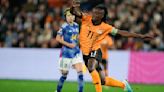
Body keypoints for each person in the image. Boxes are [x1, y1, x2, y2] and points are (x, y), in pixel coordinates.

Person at [70, 0, 153, 92]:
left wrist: (140, 36)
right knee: (103, 80)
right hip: (85, 54)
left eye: (98, 13)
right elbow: (74, 12)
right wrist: (73, 7)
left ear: (102, 16)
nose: (95, 14)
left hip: (95, 51)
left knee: (91, 67)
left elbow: (122, 33)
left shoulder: (106, 27)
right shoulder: (86, 18)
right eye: (94, 12)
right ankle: (123, 85)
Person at [55, 8, 84, 92]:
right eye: (68, 15)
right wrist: (69, 45)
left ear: (74, 17)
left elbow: (77, 37)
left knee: (80, 73)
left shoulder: (76, 25)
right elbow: (57, 38)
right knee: (64, 75)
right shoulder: (64, 26)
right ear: (66, 17)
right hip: (66, 54)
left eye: (72, 15)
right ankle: (58, 90)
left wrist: (79, 42)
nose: (70, 17)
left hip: (76, 53)